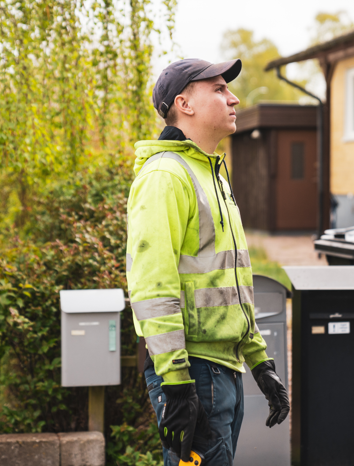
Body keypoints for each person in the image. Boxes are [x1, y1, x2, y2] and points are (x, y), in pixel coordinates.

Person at [126, 58, 290, 466]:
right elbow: (151, 287)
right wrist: (177, 383)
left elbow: (229, 280)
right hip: (193, 371)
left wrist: (260, 361)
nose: (233, 97)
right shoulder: (165, 175)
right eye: (218, 89)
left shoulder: (213, 175)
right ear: (185, 104)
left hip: (222, 370)